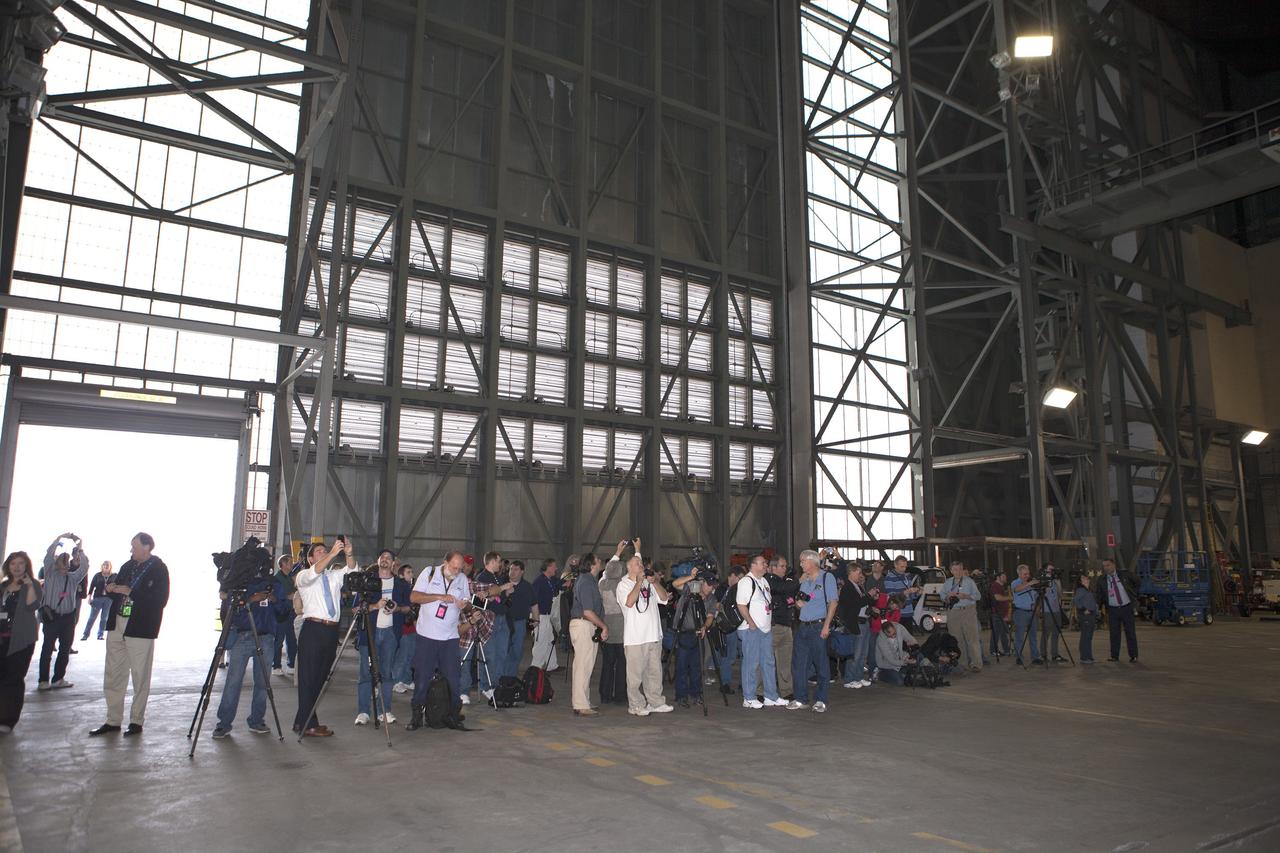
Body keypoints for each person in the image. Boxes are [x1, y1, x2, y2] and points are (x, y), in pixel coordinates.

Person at [90, 533, 170, 737]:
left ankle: (136, 721)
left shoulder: (159, 569)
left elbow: (159, 600)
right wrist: (112, 588)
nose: (131, 550)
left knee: (140, 675)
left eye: (134, 547)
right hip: (117, 622)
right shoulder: (127, 566)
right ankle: (113, 720)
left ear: (147, 547)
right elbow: (119, 587)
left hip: (140, 627)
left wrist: (130, 591)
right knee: (113, 673)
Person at [290, 538, 356, 738]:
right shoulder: (304, 576)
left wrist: (349, 553)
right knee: (308, 677)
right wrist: (332, 554)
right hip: (313, 628)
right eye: (318, 551)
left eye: (324, 550)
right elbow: (316, 571)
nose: (323, 552)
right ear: (310, 558)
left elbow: (351, 570)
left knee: (320, 677)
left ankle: (301, 720)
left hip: (330, 631)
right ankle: (309, 724)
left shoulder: (333, 576)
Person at [211, 571, 286, 739]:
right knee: (233, 682)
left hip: (266, 637)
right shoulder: (239, 581)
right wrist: (251, 599)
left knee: (262, 683)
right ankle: (224, 723)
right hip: (242, 636)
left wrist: (274, 600)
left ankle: (257, 720)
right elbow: (231, 610)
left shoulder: (274, 583)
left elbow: (284, 612)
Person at [407, 552, 471, 728]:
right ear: (445, 563)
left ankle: (453, 714)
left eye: (459, 568)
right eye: (453, 567)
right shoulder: (429, 573)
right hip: (427, 636)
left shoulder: (462, 579)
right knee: (422, 677)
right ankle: (416, 715)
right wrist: (438, 597)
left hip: (450, 637)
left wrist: (464, 605)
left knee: (453, 678)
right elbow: (414, 597)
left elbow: (467, 602)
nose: (456, 571)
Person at [354, 549, 411, 726]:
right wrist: (374, 606)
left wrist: (397, 609)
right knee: (365, 673)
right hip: (369, 632)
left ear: (394, 563)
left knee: (386, 674)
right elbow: (356, 609)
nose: (385, 560)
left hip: (390, 634)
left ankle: (384, 710)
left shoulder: (401, 585)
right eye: (382, 557)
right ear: (378, 560)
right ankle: (363, 711)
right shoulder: (367, 582)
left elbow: (408, 608)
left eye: (389, 558)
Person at [616, 540, 671, 716]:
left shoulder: (649, 582)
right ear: (629, 568)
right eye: (637, 563)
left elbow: (664, 598)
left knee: (654, 672)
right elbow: (630, 602)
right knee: (634, 676)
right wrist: (638, 583)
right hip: (635, 638)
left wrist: (654, 582)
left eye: (640, 563)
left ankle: (655, 701)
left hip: (653, 635)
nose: (641, 565)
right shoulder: (623, 584)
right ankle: (636, 705)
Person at [460, 551, 514, 705]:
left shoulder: (499, 577)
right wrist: (499, 591)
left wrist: (505, 593)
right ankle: (486, 685)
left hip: (502, 618)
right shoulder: (482, 578)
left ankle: (495, 684)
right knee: (489, 654)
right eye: (498, 561)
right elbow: (480, 599)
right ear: (491, 561)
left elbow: (498, 596)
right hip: (488, 620)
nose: (500, 564)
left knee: (501, 653)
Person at [37, 533, 90, 690]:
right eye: (63, 561)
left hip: (68, 618)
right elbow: (48, 556)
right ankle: (43, 680)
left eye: (67, 562)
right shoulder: (50, 575)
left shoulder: (73, 578)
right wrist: (59, 538)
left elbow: (85, 567)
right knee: (47, 649)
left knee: (65, 649)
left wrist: (80, 549)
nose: (66, 565)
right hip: (52, 617)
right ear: (56, 563)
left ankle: (58, 678)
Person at [788, 550, 838, 712]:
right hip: (803, 626)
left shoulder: (826, 578)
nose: (800, 564)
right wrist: (798, 604)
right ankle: (801, 698)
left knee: (821, 663)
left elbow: (833, 602)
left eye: (803, 561)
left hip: (818, 626)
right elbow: (799, 599)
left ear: (812, 562)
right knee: (799, 664)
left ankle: (821, 699)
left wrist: (826, 626)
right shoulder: (805, 580)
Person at [0, 552, 42, 733]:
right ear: (8, 566)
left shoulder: (32, 584)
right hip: (2, 637)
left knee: (14, 679)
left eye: (21, 564)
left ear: (26, 566)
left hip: (21, 640)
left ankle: (8, 720)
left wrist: (29, 586)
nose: (16, 567)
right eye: (13, 564)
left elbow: (33, 606)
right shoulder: (3, 586)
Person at [737, 554, 784, 710]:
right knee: (751, 663)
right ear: (753, 565)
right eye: (763, 563)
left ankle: (771, 696)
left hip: (765, 629)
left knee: (768, 662)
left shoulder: (763, 581)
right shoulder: (746, 581)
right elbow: (741, 605)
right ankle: (749, 697)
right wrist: (751, 623)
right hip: (751, 629)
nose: (766, 565)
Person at [569, 553, 608, 716]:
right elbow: (587, 611)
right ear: (592, 564)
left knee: (586, 665)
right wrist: (603, 626)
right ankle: (580, 704)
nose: (600, 563)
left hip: (586, 625)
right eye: (598, 560)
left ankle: (584, 700)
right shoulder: (586, 581)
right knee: (583, 666)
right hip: (583, 624)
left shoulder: (589, 580)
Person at [598, 544, 628, 706]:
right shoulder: (623, 585)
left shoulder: (602, 584)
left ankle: (605, 694)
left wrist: (617, 553)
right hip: (623, 630)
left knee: (607, 664)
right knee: (622, 664)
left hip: (607, 628)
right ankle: (620, 695)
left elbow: (605, 572)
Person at [1093, 558, 1139, 662]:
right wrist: (1098, 608)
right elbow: (1099, 595)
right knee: (1114, 633)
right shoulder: (1102, 579)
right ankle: (1114, 656)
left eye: (1108, 565)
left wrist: (1135, 594)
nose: (1106, 568)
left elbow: (1137, 582)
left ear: (1113, 565)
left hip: (1126, 608)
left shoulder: (1125, 574)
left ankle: (1133, 655)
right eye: (1104, 566)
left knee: (1130, 632)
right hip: (1112, 610)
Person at [837, 562, 875, 688]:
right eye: (858, 573)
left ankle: (858, 677)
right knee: (855, 653)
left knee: (863, 653)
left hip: (864, 622)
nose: (860, 575)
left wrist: (872, 597)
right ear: (851, 572)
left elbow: (863, 602)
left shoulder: (857, 586)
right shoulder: (848, 587)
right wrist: (868, 595)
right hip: (855, 623)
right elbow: (856, 603)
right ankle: (849, 679)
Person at [941, 561, 982, 672]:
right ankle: (962, 663)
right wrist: (948, 596)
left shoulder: (969, 582)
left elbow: (978, 596)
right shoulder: (948, 582)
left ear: (962, 569)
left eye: (959, 569)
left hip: (968, 611)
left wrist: (966, 596)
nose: (957, 572)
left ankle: (976, 664)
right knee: (957, 639)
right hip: (953, 612)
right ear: (951, 571)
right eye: (954, 569)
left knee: (972, 638)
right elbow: (942, 595)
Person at [765, 556, 797, 700]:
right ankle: (763, 692)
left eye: (785, 566)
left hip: (787, 626)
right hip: (774, 626)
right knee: (767, 661)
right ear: (773, 568)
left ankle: (786, 690)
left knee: (785, 662)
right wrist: (799, 581)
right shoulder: (769, 580)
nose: (785, 569)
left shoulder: (786, 582)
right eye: (782, 566)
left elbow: (791, 595)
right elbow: (782, 588)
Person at [714, 565, 745, 694]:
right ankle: (725, 683)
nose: (741, 581)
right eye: (740, 578)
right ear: (732, 575)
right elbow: (717, 606)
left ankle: (744, 683)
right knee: (729, 656)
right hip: (729, 627)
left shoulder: (741, 588)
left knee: (744, 656)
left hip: (741, 625)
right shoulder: (721, 589)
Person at [530, 558, 562, 671]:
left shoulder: (549, 580)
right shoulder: (539, 582)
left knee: (549, 640)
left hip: (547, 615)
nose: (556, 568)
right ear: (548, 567)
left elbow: (559, 584)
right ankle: (535, 668)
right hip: (540, 616)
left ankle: (551, 665)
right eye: (554, 566)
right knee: (540, 642)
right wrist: (535, 618)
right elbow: (533, 601)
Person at [504, 560, 534, 678]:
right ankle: (502, 676)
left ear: (522, 571)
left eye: (516, 569)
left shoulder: (527, 586)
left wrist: (536, 619)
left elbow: (534, 603)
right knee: (504, 649)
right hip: (504, 622)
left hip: (520, 622)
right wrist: (505, 592)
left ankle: (511, 676)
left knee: (517, 650)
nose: (512, 572)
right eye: (511, 569)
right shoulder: (502, 584)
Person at [271, 555, 298, 677]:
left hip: (290, 612)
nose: (292, 564)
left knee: (291, 639)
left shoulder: (288, 578)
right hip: (280, 613)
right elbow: (280, 596)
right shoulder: (278, 579)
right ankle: (276, 665)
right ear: (284, 564)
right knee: (278, 641)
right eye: (290, 562)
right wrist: (291, 596)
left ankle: (291, 664)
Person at [392, 564, 418, 693]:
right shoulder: (400, 587)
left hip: (412, 626)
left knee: (410, 655)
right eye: (408, 572)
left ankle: (407, 679)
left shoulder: (410, 588)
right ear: (401, 574)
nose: (411, 574)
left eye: (412, 572)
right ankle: (397, 681)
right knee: (402, 655)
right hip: (403, 626)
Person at [1010, 564, 1042, 665]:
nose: (1027, 576)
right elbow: (1017, 589)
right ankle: (1019, 656)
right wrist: (1029, 583)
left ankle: (1035, 657)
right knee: (1019, 636)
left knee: (1033, 635)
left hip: (1031, 612)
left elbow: (1037, 596)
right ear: (1019, 573)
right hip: (1021, 612)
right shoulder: (1015, 582)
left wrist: (1037, 606)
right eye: (1024, 574)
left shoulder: (1031, 583)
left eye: (1028, 573)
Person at [882, 555, 923, 629]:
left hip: (909, 612)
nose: (904, 569)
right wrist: (905, 593)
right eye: (902, 566)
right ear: (895, 565)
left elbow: (911, 595)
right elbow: (891, 597)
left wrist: (917, 593)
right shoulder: (889, 578)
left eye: (905, 566)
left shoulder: (907, 577)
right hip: (897, 613)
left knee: (907, 638)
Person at [875, 621, 919, 686]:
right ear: (885, 633)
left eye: (895, 633)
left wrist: (915, 646)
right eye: (891, 636)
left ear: (894, 628)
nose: (894, 637)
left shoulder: (899, 628)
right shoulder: (881, 640)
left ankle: (900, 672)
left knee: (912, 672)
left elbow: (910, 638)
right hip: (886, 664)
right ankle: (879, 674)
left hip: (899, 660)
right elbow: (891, 660)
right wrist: (905, 662)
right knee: (899, 682)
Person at [1038, 565, 1068, 663]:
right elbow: (1040, 595)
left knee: (1056, 632)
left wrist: (1058, 582)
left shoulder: (1055, 580)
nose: (1052, 570)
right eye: (1050, 569)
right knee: (1046, 632)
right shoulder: (1042, 580)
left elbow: (1060, 595)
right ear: (1045, 569)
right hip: (1047, 610)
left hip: (1056, 610)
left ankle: (1055, 654)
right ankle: (1043, 654)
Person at [81, 561, 113, 642]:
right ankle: (85, 634)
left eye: (107, 565)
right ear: (102, 566)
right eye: (104, 565)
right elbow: (91, 586)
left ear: (110, 567)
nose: (106, 566)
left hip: (108, 599)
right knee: (92, 618)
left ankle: (100, 635)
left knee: (104, 618)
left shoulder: (114, 576)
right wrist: (89, 597)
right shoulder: (97, 575)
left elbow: (116, 587)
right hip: (97, 598)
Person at [1073, 575, 1099, 663]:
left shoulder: (1089, 590)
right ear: (1080, 581)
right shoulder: (1081, 590)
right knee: (1086, 636)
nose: (1087, 578)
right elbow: (1076, 600)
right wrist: (1083, 609)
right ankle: (1084, 657)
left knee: (1089, 637)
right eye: (1084, 578)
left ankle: (1089, 656)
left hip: (1091, 615)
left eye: (1086, 577)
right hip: (1086, 616)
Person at [988, 569, 1011, 658]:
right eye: (1003, 576)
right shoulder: (995, 586)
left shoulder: (1001, 586)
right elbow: (997, 597)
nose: (1005, 578)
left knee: (1003, 633)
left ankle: (1006, 650)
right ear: (998, 577)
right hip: (996, 613)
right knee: (996, 632)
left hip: (1001, 613)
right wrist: (1009, 598)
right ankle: (993, 650)